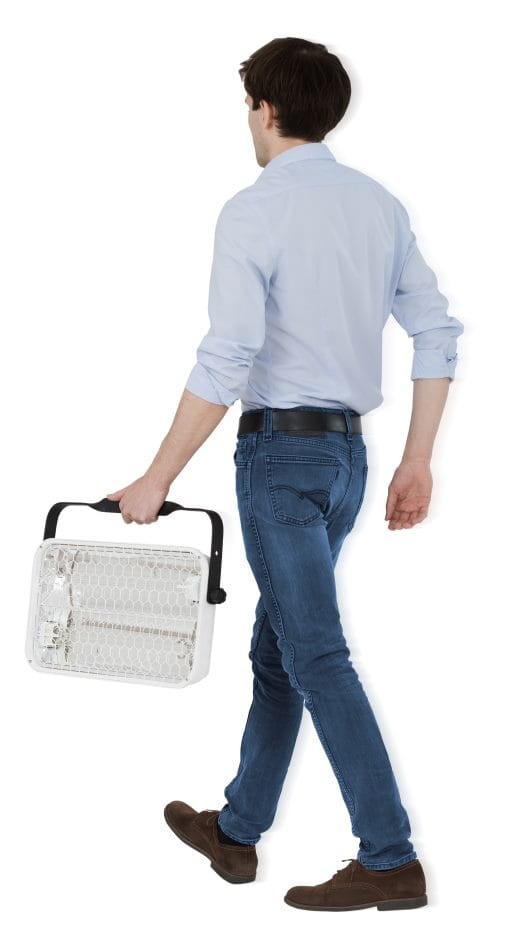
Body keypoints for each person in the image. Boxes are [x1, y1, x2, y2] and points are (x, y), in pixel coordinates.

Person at [106, 37, 463, 912]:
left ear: (264, 110)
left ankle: (389, 856)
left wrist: (156, 477)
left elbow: (227, 355)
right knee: (279, 651)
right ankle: (237, 830)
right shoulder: (378, 205)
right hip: (346, 463)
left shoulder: (253, 209)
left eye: (248, 107)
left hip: (278, 461)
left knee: (315, 654)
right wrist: (417, 457)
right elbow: (436, 333)